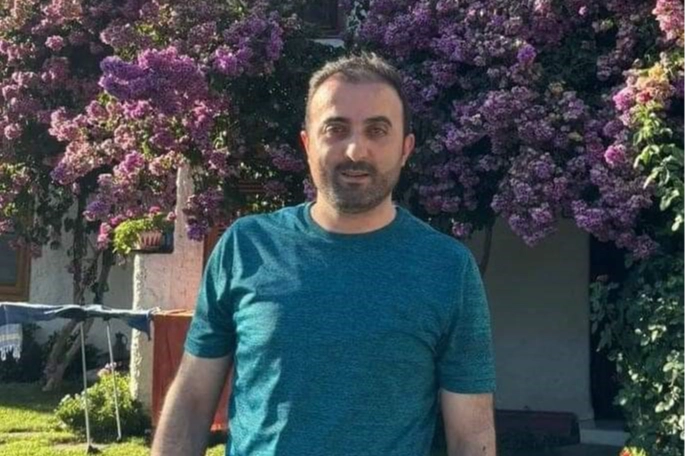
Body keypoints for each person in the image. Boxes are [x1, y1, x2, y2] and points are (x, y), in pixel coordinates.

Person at [151, 53, 497, 456]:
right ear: (307, 144)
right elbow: (192, 401)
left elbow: (471, 436)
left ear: (406, 148)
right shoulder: (245, 247)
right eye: (336, 129)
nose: (355, 151)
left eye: (377, 131)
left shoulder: (447, 269)